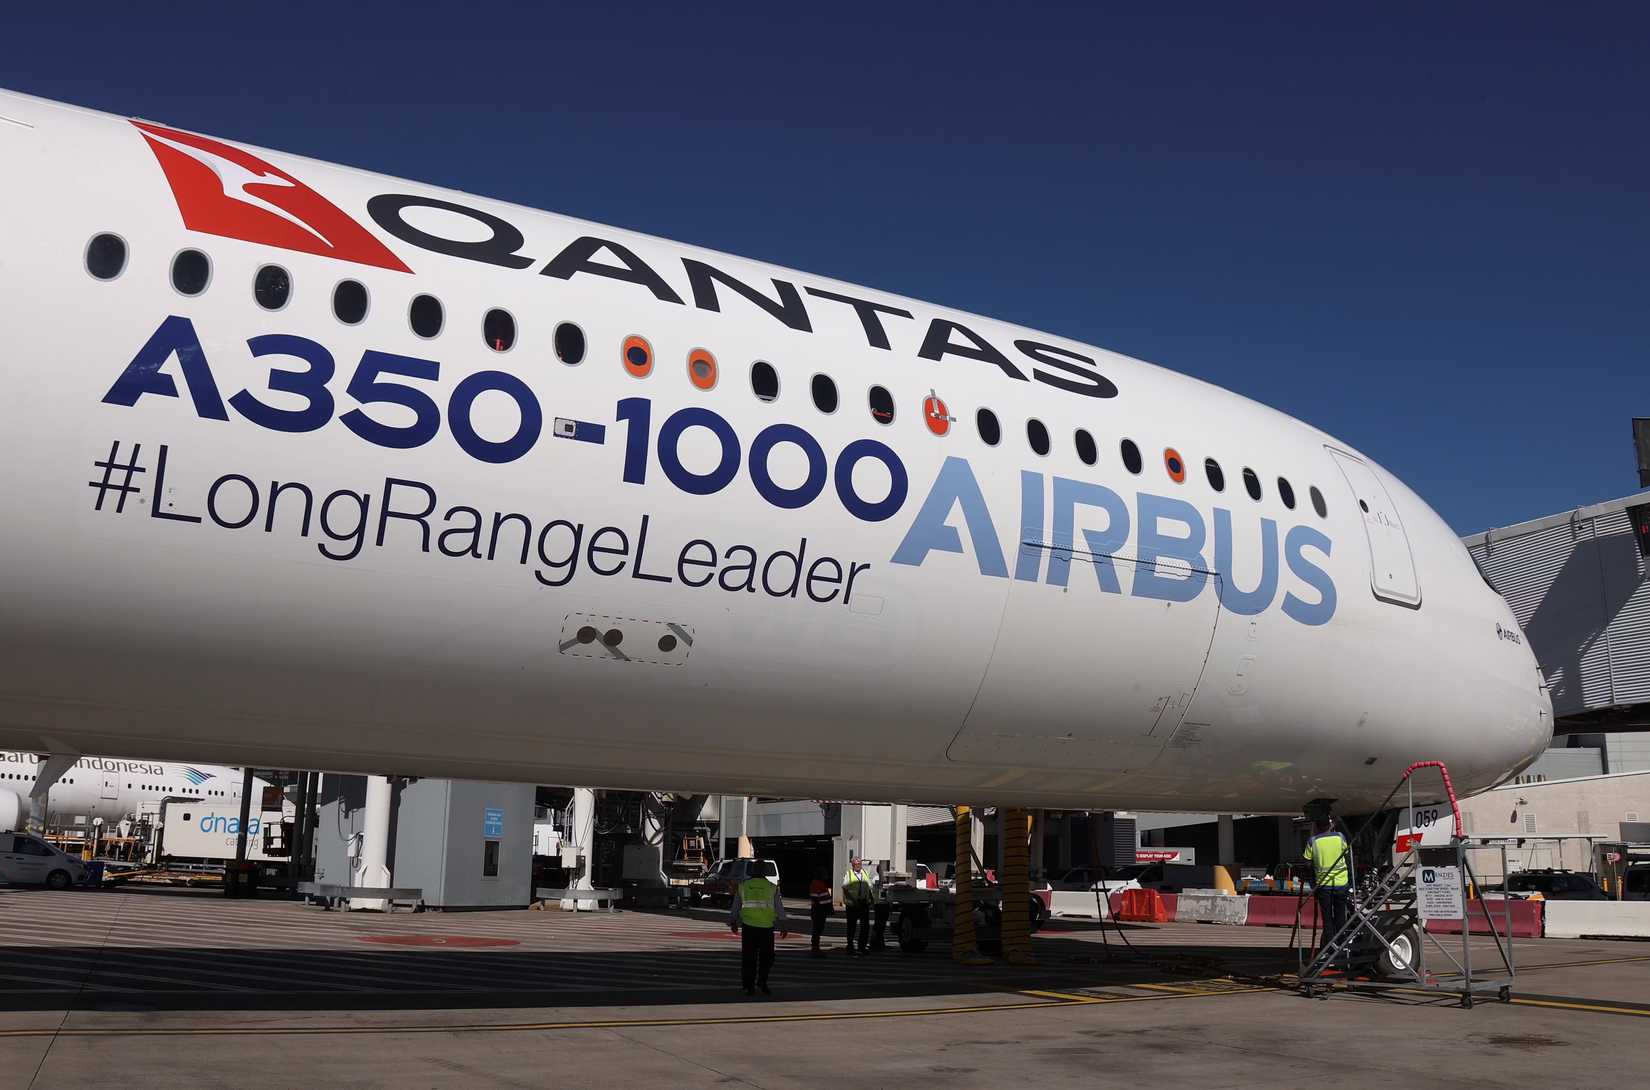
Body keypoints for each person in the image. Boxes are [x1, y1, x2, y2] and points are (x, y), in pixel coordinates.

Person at [730, 861, 788, 995]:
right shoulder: (772, 887)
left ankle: (748, 986)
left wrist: (733, 921)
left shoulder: (743, 886)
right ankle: (762, 981)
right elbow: (779, 908)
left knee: (748, 958)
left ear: (752, 870)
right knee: (767, 958)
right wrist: (784, 925)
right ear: (765, 871)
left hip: (749, 927)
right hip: (766, 928)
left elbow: (736, 905)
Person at [1304, 817, 1352, 957]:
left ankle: (1331, 948)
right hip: (1341, 883)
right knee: (1340, 916)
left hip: (1323, 885)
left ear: (1317, 827)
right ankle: (1342, 945)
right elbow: (1347, 854)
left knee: (1327, 918)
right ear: (1330, 825)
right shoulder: (1339, 837)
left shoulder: (1313, 841)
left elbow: (1307, 862)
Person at [841, 855, 876, 956]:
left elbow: (869, 887)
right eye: (856, 864)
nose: (858, 866)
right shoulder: (849, 874)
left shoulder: (864, 873)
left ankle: (862, 946)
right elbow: (845, 888)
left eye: (859, 864)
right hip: (853, 905)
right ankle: (850, 946)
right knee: (851, 926)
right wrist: (853, 899)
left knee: (865, 926)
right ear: (852, 865)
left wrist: (871, 900)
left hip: (863, 903)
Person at [808, 870, 833, 957]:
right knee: (817, 929)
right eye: (825, 874)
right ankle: (815, 949)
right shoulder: (816, 883)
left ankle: (816, 948)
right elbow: (815, 897)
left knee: (818, 929)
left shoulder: (821, 883)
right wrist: (823, 907)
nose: (827, 876)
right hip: (818, 910)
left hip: (821, 910)